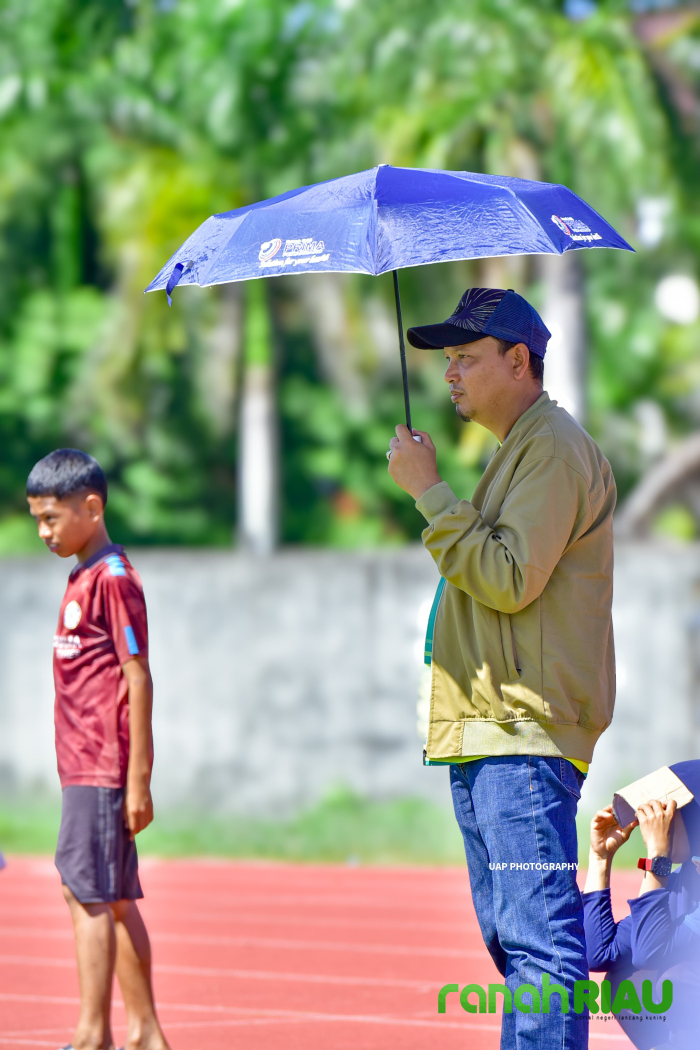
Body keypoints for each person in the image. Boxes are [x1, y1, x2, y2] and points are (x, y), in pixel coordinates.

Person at [387, 286, 617, 1050]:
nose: (449, 373)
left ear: (520, 362)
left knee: (541, 947)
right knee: (518, 945)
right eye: (447, 359)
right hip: (490, 731)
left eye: (466, 357)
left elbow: (510, 577)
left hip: (522, 731)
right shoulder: (518, 450)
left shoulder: (550, 446)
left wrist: (430, 493)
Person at [26, 449, 170, 1050]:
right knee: (106, 895)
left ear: (92, 507)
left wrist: (138, 780)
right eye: (36, 518)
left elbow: (138, 676)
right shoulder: (82, 573)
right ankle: (144, 1035)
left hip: (103, 765)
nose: (43, 532)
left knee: (86, 891)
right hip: (83, 766)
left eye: (53, 518)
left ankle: (94, 1036)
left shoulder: (112, 579)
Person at [583, 760, 700, 1049]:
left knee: (678, 983)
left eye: (670, 814)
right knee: (626, 982)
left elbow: (650, 953)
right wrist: (600, 859)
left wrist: (657, 858)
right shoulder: (684, 882)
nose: (658, 825)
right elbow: (600, 954)